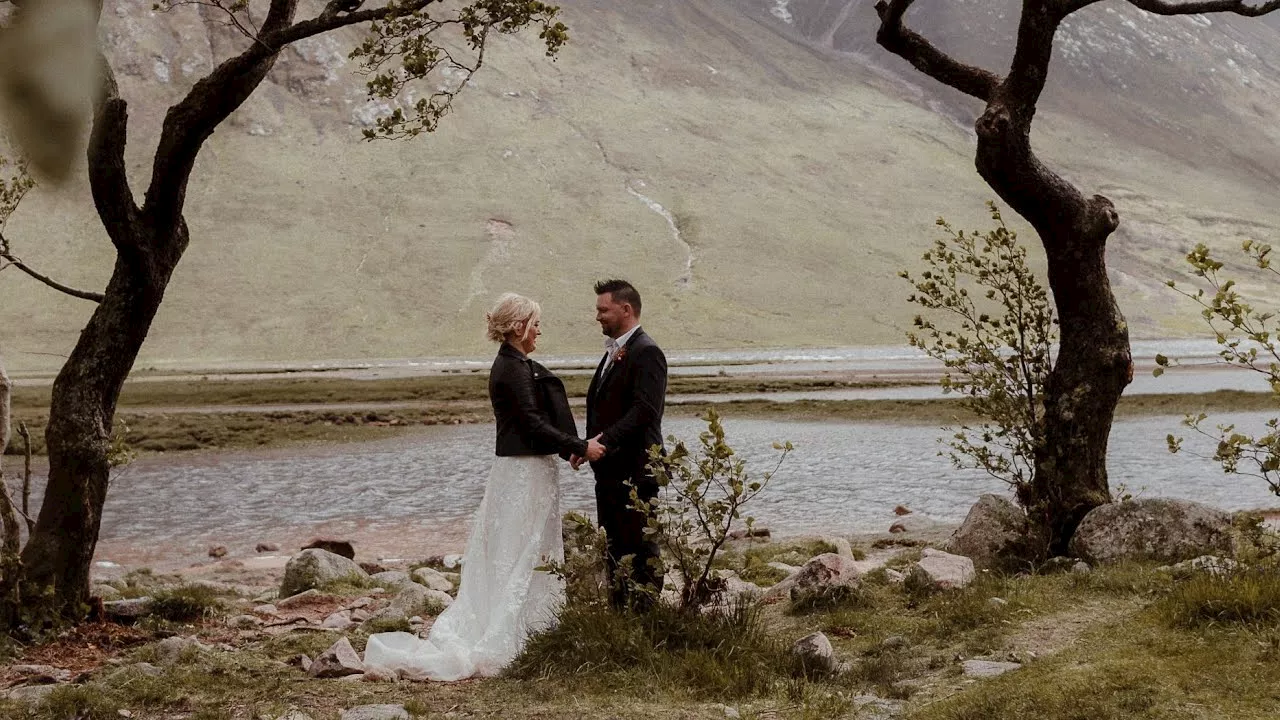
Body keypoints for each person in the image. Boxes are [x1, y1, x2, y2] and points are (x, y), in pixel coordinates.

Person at [364, 292, 603, 680]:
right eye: (536, 324)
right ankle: (512, 631)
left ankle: (535, 625)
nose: (540, 331)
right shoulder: (512, 368)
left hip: (529, 470)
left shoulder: (517, 365)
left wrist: (567, 448)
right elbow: (529, 421)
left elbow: (536, 420)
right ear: (519, 326)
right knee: (517, 548)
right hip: (522, 473)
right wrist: (578, 446)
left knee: (529, 545)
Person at [571, 279, 668, 609]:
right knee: (615, 549)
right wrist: (585, 446)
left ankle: (646, 620)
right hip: (611, 472)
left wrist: (602, 441)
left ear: (626, 309)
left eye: (603, 309)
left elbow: (645, 410)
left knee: (640, 550)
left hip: (636, 470)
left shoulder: (648, 352)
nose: (597, 316)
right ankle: (621, 617)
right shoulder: (615, 352)